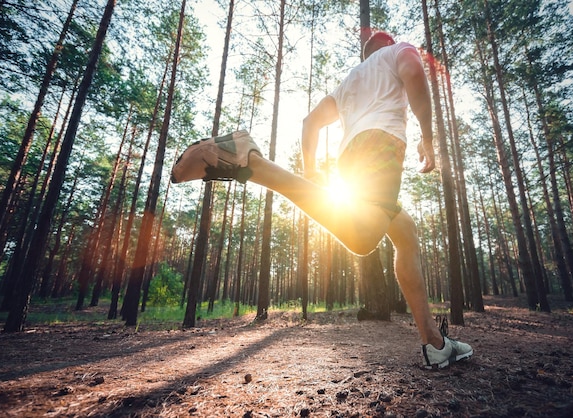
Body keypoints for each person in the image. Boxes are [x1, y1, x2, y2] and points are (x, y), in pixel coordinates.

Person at [171, 31, 473, 369]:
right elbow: (414, 72)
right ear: (387, 46)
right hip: (382, 146)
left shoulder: (352, 80)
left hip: (351, 159)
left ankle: (435, 342)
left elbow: (310, 122)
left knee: (405, 231)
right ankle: (253, 165)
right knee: (364, 237)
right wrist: (428, 138)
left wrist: (312, 172)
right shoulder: (398, 51)